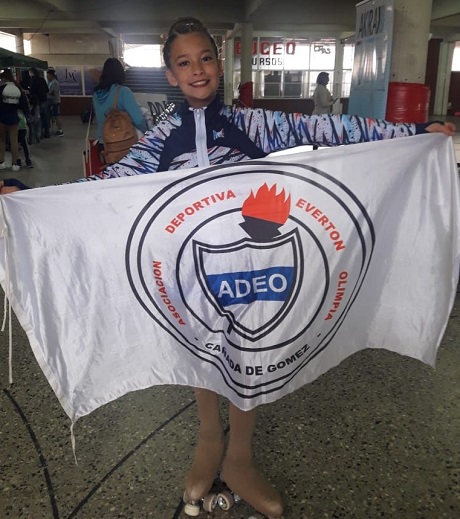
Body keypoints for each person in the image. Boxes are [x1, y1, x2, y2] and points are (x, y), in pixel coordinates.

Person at [0, 17, 456, 518]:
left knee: (246, 355)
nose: (196, 70)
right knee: (202, 352)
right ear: (171, 75)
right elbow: (107, 184)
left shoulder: (254, 123)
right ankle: (208, 440)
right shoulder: (160, 138)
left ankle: (240, 456)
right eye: (184, 63)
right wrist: (31, 196)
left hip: (252, 270)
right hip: (190, 273)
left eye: (205, 58)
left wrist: (413, 131)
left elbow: (329, 128)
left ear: (219, 64)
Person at [92, 58, 147, 159]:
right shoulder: (123, 91)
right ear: (120, 73)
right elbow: (138, 119)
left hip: (103, 144)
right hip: (122, 144)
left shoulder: (96, 94)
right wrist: (147, 131)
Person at [0, 69, 30, 172]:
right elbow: (24, 104)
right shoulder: (17, 88)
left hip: (2, 118)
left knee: (1, 140)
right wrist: (27, 115)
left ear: (4, 78)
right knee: (14, 142)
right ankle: (14, 164)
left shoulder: (1, 89)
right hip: (14, 118)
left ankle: (1, 163)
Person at [28, 67, 49, 139]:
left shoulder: (33, 80)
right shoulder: (42, 79)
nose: (29, 74)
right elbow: (47, 90)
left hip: (37, 101)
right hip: (44, 100)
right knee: (45, 116)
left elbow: (31, 91)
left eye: (30, 72)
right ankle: (47, 132)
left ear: (32, 73)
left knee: (38, 117)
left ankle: (40, 134)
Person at [46, 68, 64, 136]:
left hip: (55, 102)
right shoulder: (49, 82)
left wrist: (46, 94)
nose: (47, 77)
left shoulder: (54, 82)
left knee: (57, 116)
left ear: (51, 75)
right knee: (52, 116)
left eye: (48, 75)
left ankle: (60, 130)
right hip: (50, 102)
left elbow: (53, 93)